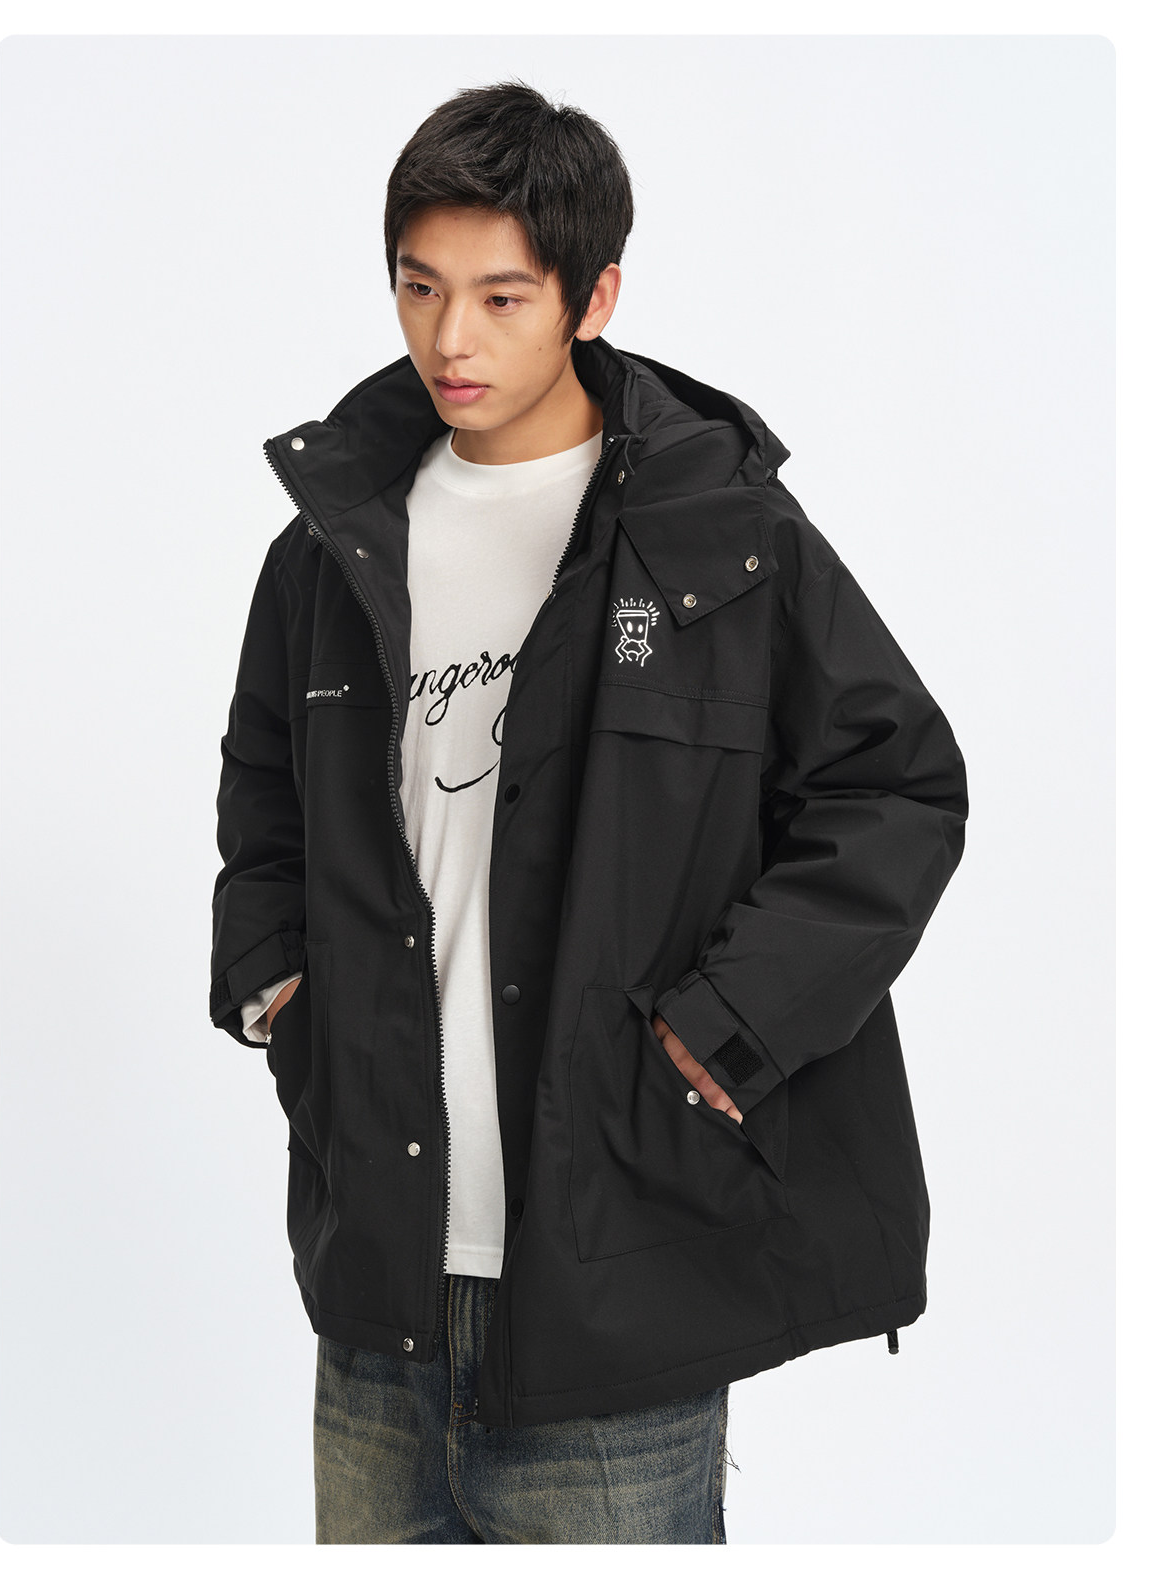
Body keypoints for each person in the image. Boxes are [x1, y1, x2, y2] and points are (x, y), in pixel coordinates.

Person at [209, 79, 969, 1545]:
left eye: (501, 297)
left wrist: (724, 1027)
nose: (451, 339)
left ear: (594, 295)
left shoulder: (717, 535)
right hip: (379, 1287)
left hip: (617, 1283)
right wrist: (276, 984)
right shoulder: (329, 553)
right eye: (420, 288)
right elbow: (262, 796)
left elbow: (897, 785)